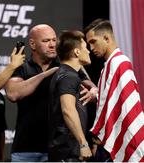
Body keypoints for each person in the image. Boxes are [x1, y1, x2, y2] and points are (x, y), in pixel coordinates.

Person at [5, 24, 97, 162]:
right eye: (46, 41)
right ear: (32, 44)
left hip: (56, 147)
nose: (52, 44)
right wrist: (46, 74)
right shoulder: (22, 67)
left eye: (54, 40)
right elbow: (13, 94)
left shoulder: (65, 66)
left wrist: (94, 92)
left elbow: (91, 87)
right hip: (26, 148)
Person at [85, 18, 144, 162]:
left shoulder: (120, 63)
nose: (91, 48)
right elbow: (113, 99)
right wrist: (97, 95)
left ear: (106, 38)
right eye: (88, 44)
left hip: (122, 143)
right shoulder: (110, 65)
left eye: (93, 41)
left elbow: (128, 108)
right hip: (107, 145)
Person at [48, 30, 95, 162]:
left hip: (65, 151)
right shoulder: (69, 76)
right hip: (67, 153)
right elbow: (68, 110)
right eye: (85, 48)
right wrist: (83, 143)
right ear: (77, 52)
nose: (89, 51)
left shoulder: (65, 73)